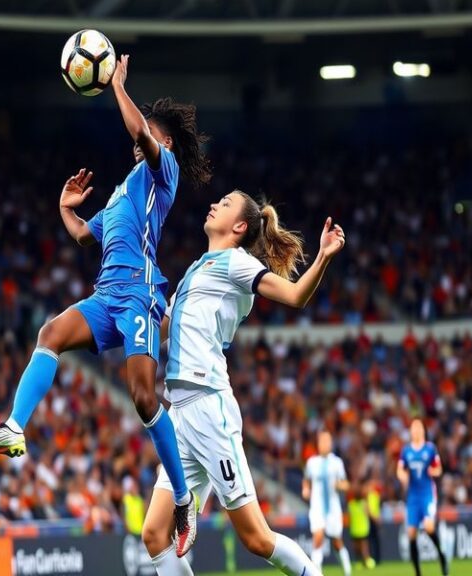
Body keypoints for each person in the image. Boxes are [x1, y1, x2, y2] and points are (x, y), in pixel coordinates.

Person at [0, 53, 212, 556]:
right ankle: (14, 428)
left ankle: (184, 499)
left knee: (145, 398)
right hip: (106, 297)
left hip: (141, 297)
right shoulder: (123, 190)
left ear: (160, 141)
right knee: (50, 334)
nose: (136, 138)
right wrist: (64, 209)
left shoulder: (160, 172)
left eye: (146, 133)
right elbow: (85, 236)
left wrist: (116, 86)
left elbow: (142, 133)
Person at [141, 190, 345, 576]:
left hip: (207, 406)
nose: (215, 203)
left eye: (226, 202)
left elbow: (296, 295)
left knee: (256, 538)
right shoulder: (194, 271)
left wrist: (322, 257)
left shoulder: (237, 263)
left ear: (239, 227)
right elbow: (160, 330)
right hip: (178, 416)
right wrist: (119, 317)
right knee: (154, 534)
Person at [397, 418, 449, 576]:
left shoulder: (430, 449)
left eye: (419, 427)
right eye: (413, 428)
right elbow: (399, 469)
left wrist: (434, 471)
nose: (416, 430)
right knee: (411, 533)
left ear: (423, 430)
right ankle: (418, 572)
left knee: (428, 527)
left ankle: (442, 555)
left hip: (427, 494)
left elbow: (438, 468)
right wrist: (402, 476)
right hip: (413, 497)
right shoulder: (406, 451)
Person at [303, 430, 352, 576]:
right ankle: (316, 573)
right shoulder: (312, 463)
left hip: (333, 508)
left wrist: (339, 485)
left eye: (327, 441)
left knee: (337, 542)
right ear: (318, 444)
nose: (324, 444)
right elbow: (306, 480)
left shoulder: (337, 462)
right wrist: (305, 489)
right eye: (322, 441)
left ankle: (347, 570)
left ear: (331, 443)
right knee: (318, 537)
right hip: (317, 507)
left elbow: (346, 484)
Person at [347, 481, 375, 569]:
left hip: (356, 529)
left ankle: (362, 562)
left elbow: (349, 517)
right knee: (363, 548)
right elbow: (370, 514)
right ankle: (366, 562)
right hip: (361, 529)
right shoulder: (363, 504)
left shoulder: (351, 505)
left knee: (358, 548)